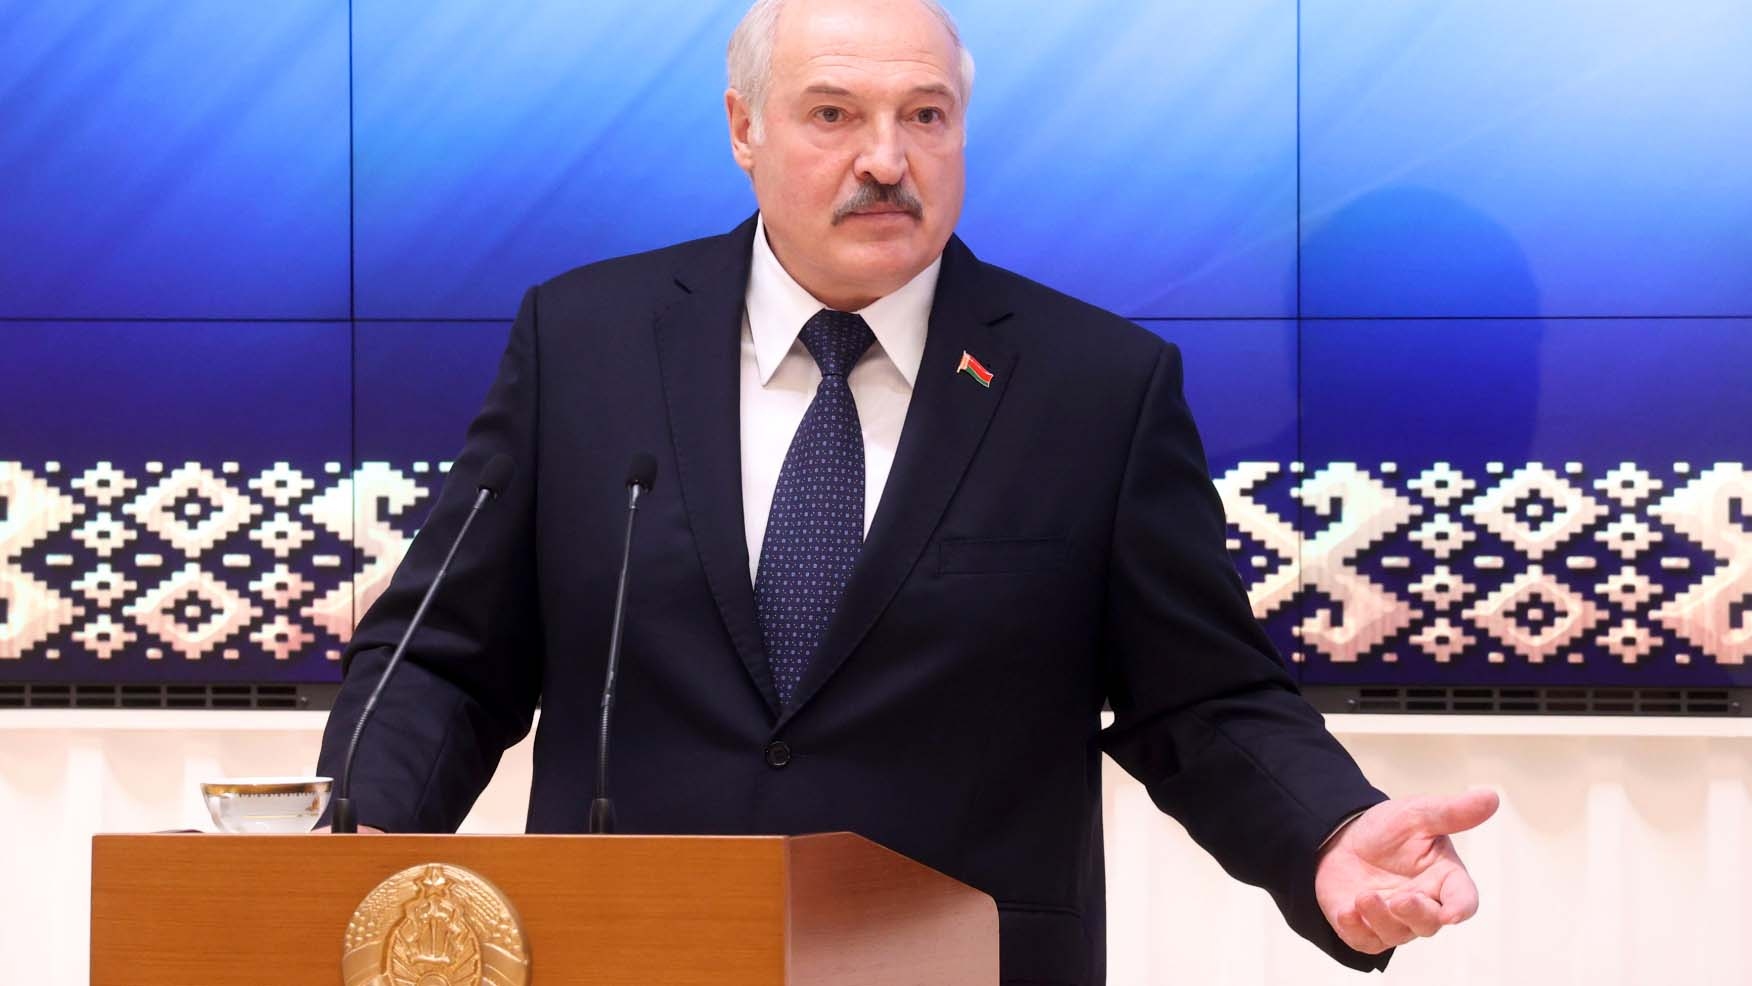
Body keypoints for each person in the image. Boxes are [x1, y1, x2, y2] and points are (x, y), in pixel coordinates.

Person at [316, 0, 1497, 980]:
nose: (887, 158)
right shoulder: (585, 341)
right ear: (744, 126)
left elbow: (1201, 696)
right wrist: (353, 833)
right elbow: (445, 651)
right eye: (835, 114)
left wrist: (1331, 832)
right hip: (620, 952)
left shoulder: (1095, 384)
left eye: (924, 117)